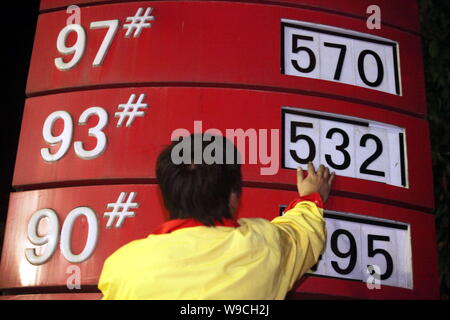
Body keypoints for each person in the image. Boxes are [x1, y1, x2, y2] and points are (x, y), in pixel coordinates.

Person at [98, 134, 335, 299]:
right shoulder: (264, 244)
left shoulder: (122, 268)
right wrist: (311, 196)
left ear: (165, 194)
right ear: (234, 196)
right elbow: (303, 234)